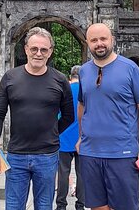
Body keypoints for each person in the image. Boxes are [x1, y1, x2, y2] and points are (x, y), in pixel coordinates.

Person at [0, 27, 75, 210]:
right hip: (16, 154)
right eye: (34, 48)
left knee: (44, 206)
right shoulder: (10, 77)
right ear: (26, 49)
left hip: (47, 155)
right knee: (13, 206)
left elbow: (69, 116)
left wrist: (51, 133)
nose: (38, 53)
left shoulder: (59, 80)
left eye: (44, 49)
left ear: (50, 52)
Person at [76, 23, 139, 210]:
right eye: (94, 40)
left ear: (112, 40)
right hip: (90, 152)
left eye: (103, 39)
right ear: (87, 43)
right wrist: (81, 137)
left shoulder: (129, 68)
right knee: (97, 206)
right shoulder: (84, 71)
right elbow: (82, 106)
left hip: (122, 152)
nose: (99, 44)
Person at [56, 65, 85, 210]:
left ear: (70, 76)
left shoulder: (64, 90)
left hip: (64, 137)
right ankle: (80, 204)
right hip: (83, 138)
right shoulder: (86, 91)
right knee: (82, 174)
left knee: (63, 173)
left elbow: (57, 114)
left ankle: (61, 204)